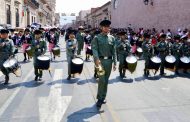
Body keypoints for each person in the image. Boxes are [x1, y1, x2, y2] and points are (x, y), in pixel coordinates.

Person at [91, 20, 117, 108]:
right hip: (100, 62)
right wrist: (96, 58)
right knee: (101, 80)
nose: (106, 28)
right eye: (105, 27)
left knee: (106, 81)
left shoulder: (112, 38)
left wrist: (115, 63)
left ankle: (103, 96)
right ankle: (99, 98)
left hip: (109, 62)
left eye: (108, 27)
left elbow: (114, 51)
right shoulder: (97, 38)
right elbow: (94, 49)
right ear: (101, 28)